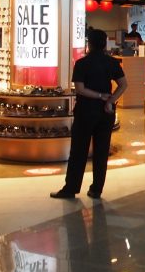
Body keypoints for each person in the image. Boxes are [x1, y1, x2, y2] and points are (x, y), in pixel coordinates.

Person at [51, 29, 128, 200]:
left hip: (85, 111)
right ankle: (96, 190)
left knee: (79, 151)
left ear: (89, 44)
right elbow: (123, 84)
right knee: (101, 152)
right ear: (105, 43)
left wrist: (99, 96)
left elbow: (80, 89)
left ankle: (71, 188)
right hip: (105, 113)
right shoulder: (112, 63)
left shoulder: (82, 64)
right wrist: (109, 100)